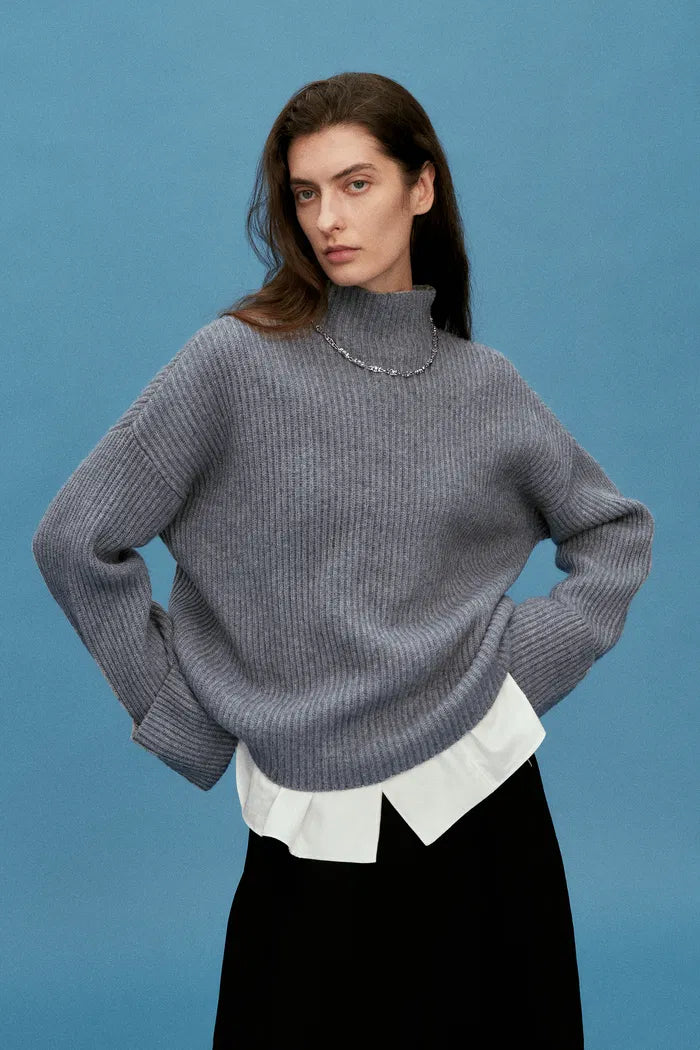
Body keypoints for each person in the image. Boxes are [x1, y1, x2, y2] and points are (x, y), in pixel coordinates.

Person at [31, 72, 655, 1049]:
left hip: (486, 815)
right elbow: (75, 539)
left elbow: (613, 531)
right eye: (305, 192)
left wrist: (523, 662)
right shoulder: (233, 362)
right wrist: (184, 713)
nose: (327, 218)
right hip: (310, 822)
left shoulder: (482, 386)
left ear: (421, 186)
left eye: (356, 184)